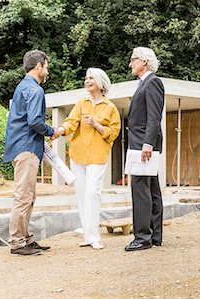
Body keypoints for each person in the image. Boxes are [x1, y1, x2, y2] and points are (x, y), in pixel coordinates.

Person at [3, 50, 60, 256]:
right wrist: (53, 131)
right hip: (26, 148)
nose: (47, 70)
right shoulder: (35, 90)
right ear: (38, 67)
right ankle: (18, 242)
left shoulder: (22, 87)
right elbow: (35, 121)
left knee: (28, 195)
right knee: (23, 196)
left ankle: (25, 238)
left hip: (20, 146)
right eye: (46, 66)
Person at [57, 68, 121, 250]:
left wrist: (96, 125)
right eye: (86, 78)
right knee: (82, 195)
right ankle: (88, 234)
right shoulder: (81, 104)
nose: (87, 80)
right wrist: (60, 131)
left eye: (91, 78)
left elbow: (113, 133)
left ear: (100, 82)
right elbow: (70, 122)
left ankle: (94, 236)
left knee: (93, 193)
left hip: (97, 157)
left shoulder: (110, 108)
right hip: (77, 155)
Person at [125, 47, 164, 251]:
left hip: (143, 145)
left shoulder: (152, 82)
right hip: (143, 143)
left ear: (144, 61)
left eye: (133, 60)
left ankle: (142, 237)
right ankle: (155, 235)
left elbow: (154, 116)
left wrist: (147, 144)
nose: (130, 64)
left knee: (140, 189)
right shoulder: (144, 83)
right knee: (152, 189)